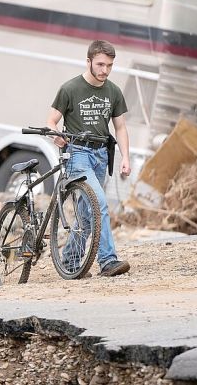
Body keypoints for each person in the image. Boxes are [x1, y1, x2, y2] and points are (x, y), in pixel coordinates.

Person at [46, 39, 131, 277]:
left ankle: (71, 262)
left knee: (86, 213)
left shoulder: (113, 91)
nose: (105, 70)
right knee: (99, 203)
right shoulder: (70, 89)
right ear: (89, 61)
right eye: (101, 64)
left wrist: (126, 157)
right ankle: (108, 261)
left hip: (101, 155)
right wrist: (57, 136)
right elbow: (51, 120)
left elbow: (121, 127)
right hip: (78, 153)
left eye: (110, 66)